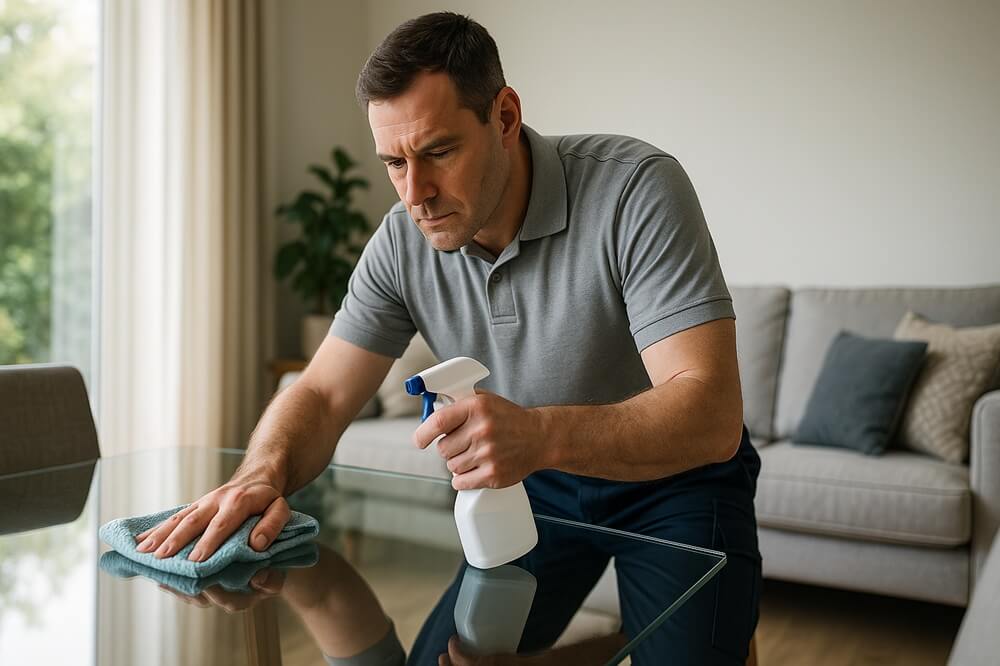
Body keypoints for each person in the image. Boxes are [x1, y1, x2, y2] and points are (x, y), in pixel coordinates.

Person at [134, 11, 761, 665]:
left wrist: (539, 434)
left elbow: (710, 412)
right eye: (393, 162)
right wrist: (260, 476)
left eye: (437, 152)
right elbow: (320, 394)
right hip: (534, 485)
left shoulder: (636, 188)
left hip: (676, 484)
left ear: (505, 116)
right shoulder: (402, 241)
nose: (417, 193)